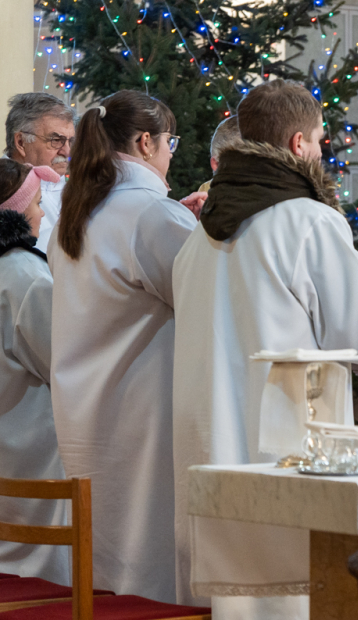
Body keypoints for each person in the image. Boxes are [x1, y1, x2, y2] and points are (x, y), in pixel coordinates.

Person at [171, 79, 358, 618]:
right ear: (297, 144)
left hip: (214, 439)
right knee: (284, 594)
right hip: (282, 444)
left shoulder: (200, 234)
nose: (319, 150)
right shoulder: (309, 221)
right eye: (318, 139)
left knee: (226, 595)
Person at [48, 90, 195, 603]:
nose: (171, 153)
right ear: (146, 141)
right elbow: (205, 296)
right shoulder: (150, 214)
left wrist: (185, 224)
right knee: (152, 566)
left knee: (103, 567)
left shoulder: (78, 214)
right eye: (170, 142)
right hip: (142, 412)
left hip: (86, 412)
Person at [0, 161, 67, 584]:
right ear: (16, 212)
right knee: (38, 568)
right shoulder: (23, 274)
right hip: (30, 442)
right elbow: (60, 359)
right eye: (38, 203)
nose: (42, 214)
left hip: (8, 435)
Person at [3, 93, 76, 251]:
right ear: (21, 142)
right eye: (56, 140)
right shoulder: (4, 191)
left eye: (71, 141)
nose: (67, 151)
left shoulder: (76, 188)